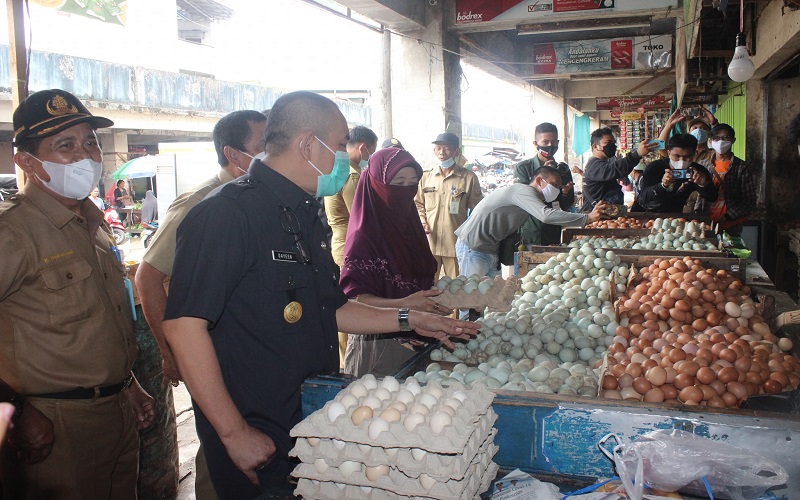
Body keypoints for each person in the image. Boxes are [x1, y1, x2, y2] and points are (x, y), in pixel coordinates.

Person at [161, 91, 479, 498]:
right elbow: (184, 326)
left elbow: (331, 308)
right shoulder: (227, 214)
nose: (346, 156)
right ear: (308, 145)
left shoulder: (302, 214)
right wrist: (233, 431)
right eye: (341, 143)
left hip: (310, 413)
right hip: (256, 422)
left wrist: (410, 318)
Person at [0, 88, 155, 498]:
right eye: (65, 145)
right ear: (27, 162)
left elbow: (101, 320)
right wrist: (14, 410)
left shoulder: (94, 224)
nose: (84, 156)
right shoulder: (13, 233)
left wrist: (129, 382)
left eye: (91, 143)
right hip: (54, 422)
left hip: (116, 412)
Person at [136, 109, 267, 500]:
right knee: (221, 452)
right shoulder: (202, 202)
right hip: (207, 349)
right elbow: (147, 278)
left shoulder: (257, 197)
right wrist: (169, 351)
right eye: (263, 147)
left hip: (245, 348)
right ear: (233, 153)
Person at [340, 147, 452, 377]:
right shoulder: (365, 236)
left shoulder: (411, 226)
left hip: (418, 335)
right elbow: (354, 299)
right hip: (378, 344)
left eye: (413, 182)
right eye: (398, 181)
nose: (406, 189)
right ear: (377, 184)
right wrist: (406, 304)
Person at [455, 166, 605, 283]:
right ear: (539, 181)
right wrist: (587, 219)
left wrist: (585, 216)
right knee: (470, 298)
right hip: (473, 246)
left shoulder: (532, 198)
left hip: (489, 248)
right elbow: (546, 215)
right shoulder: (523, 191)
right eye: (554, 184)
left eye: (559, 187)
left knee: (490, 295)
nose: (557, 189)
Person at [324, 126, 378, 368]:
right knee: (349, 306)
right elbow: (362, 220)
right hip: (351, 249)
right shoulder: (353, 175)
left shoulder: (337, 171)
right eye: (372, 152)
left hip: (339, 243)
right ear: (363, 148)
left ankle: (343, 360)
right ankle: (347, 364)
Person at [415, 132, 483, 278]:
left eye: (447, 148)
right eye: (438, 148)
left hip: (455, 245)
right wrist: (423, 222)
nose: (442, 152)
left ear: (457, 152)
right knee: (428, 285)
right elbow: (418, 203)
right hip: (430, 244)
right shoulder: (425, 177)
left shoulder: (468, 178)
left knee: (455, 287)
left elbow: (478, 211)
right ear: (434, 150)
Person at [514, 123, 576, 245]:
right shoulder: (523, 168)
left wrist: (565, 192)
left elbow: (566, 205)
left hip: (552, 231)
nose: (550, 146)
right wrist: (543, 173)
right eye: (545, 142)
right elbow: (522, 200)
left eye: (554, 142)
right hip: (530, 231)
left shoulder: (562, 169)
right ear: (536, 144)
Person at [696, 123, 757, 235]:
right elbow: (699, 195)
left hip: (730, 225)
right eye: (717, 138)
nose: (721, 141)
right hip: (705, 222)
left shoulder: (741, 167)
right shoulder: (703, 165)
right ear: (711, 141)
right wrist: (697, 214)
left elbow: (750, 200)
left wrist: (728, 216)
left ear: (733, 140)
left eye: (725, 138)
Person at [581, 127, 660, 211]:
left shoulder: (598, 163)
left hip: (603, 214)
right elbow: (615, 169)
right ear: (596, 146)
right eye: (608, 142)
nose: (613, 146)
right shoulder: (594, 165)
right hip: (596, 218)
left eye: (614, 143)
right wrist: (636, 154)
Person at [637, 134, 718, 214]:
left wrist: (703, 184)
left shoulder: (698, 171)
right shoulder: (655, 167)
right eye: (677, 156)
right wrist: (662, 185)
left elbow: (712, 197)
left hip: (676, 216)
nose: (681, 160)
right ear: (669, 153)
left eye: (687, 157)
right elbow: (643, 197)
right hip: (646, 214)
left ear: (694, 154)